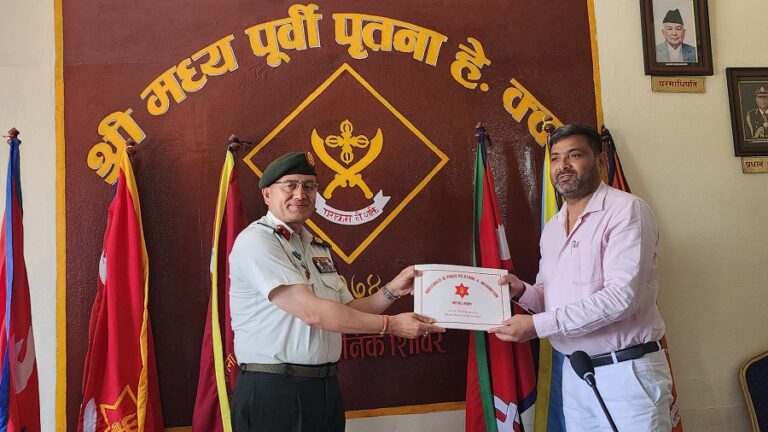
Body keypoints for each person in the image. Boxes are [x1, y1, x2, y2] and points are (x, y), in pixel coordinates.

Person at [228, 151, 444, 432]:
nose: (300, 194)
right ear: (267, 194)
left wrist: (393, 290)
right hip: (275, 391)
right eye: (290, 185)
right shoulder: (257, 241)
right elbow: (313, 313)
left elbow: (348, 310)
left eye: (309, 186)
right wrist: (391, 326)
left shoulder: (316, 247)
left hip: (324, 388)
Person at [488, 125, 673, 431]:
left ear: (599, 160)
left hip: (626, 374)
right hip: (576, 372)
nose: (563, 165)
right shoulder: (553, 227)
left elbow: (620, 299)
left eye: (574, 155)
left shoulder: (626, 211)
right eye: (556, 158)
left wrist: (536, 326)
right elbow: (551, 296)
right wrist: (521, 291)